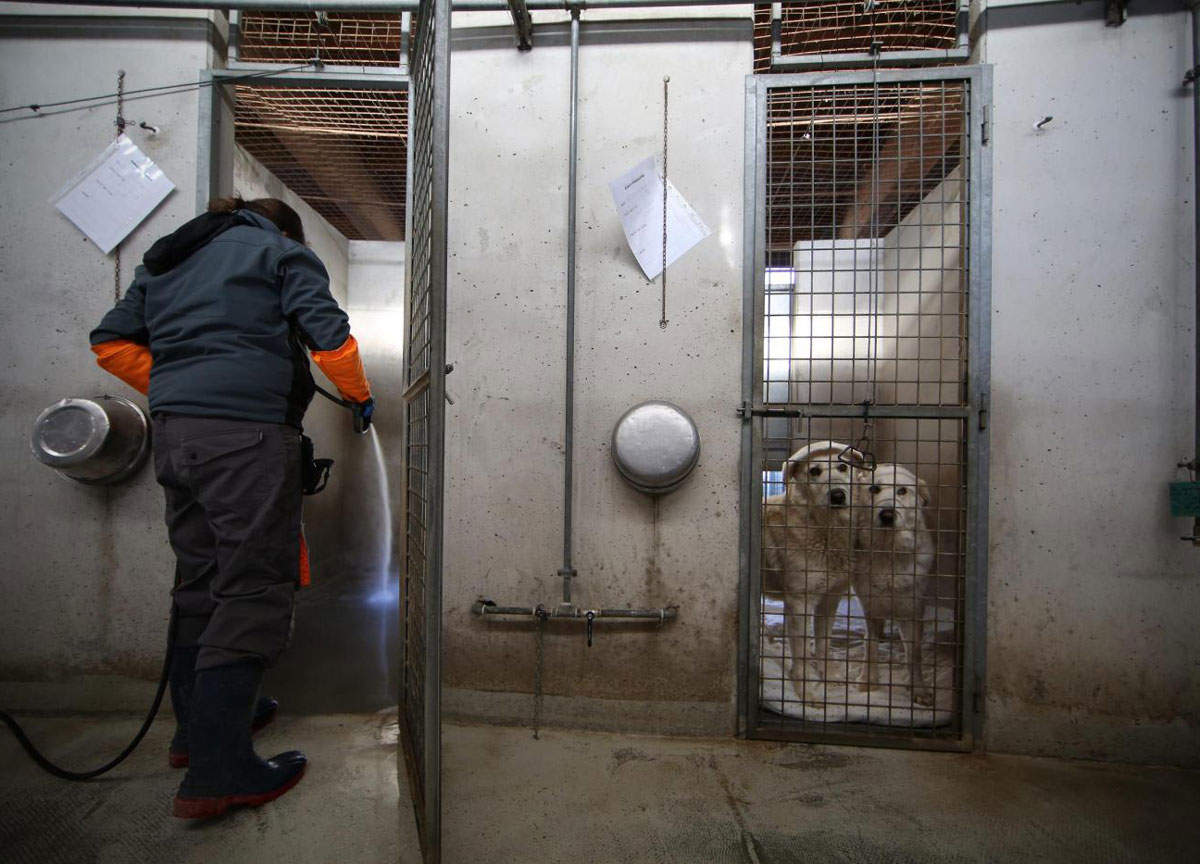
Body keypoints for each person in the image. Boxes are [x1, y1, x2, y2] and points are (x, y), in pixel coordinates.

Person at [89, 196, 374, 819]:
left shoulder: (168, 260)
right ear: (288, 231)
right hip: (247, 440)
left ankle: (198, 732)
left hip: (176, 437)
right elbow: (330, 342)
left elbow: (110, 345)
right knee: (252, 588)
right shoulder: (282, 252)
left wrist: (181, 389)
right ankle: (222, 771)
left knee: (201, 581)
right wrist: (358, 396)